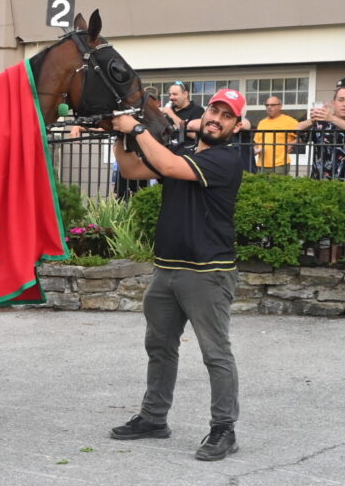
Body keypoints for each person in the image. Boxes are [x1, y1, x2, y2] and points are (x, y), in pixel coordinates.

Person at [108, 88, 245, 462]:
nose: (216, 118)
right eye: (214, 110)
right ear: (203, 118)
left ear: (235, 125)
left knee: (215, 354)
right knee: (160, 348)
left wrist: (135, 128)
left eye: (226, 115)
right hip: (167, 270)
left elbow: (166, 167)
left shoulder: (226, 160)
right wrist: (120, 134)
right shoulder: (182, 153)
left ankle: (223, 429)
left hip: (208, 273)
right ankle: (154, 419)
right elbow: (131, 168)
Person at [298, 82, 345, 191]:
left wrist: (332, 119)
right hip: (322, 187)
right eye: (341, 100)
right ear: (333, 103)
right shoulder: (320, 123)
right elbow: (297, 130)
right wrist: (312, 120)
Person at [254, 96, 299, 175]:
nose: (269, 107)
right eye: (267, 105)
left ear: (280, 106)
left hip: (280, 164)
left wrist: (292, 143)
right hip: (261, 165)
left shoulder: (289, 121)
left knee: (278, 186)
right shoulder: (262, 123)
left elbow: (304, 136)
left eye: (272, 105)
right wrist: (255, 149)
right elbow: (257, 142)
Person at [161, 81, 204, 146]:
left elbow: (194, 135)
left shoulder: (197, 110)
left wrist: (172, 115)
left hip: (186, 152)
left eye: (175, 94)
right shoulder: (168, 111)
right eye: (170, 95)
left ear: (185, 94)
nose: (171, 98)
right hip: (167, 151)